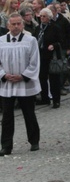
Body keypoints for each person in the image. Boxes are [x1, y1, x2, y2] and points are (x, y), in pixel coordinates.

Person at [0, 13, 42, 156]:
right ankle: (6, 145)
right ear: (8, 25)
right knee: (7, 116)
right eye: (13, 24)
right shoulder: (1, 41)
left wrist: (23, 76)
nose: (16, 26)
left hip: (24, 83)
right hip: (7, 84)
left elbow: (35, 61)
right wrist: (3, 75)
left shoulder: (30, 40)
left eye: (19, 24)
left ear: (22, 25)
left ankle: (34, 141)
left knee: (29, 113)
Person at [35, 7, 65, 108]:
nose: (42, 18)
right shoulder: (38, 28)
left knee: (54, 79)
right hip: (41, 56)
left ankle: (56, 100)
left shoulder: (55, 27)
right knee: (42, 78)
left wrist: (54, 45)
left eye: (44, 16)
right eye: (41, 16)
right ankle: (45, 98)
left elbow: (61, 41)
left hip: (52, 57)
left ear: (49, 17)